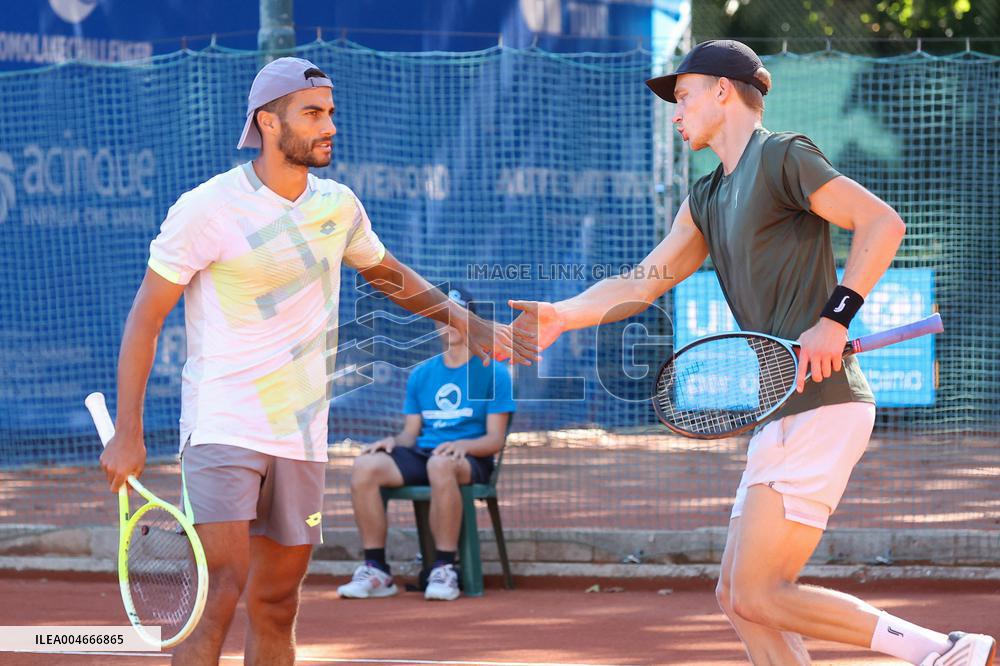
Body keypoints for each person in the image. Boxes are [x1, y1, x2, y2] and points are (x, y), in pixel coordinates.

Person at [508, 40, 995, 666]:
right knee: (738, 597)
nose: (676, 113)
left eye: (683, 97)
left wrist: (834, 318)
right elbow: (642, 281)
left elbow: (882, 222)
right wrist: (564, 314)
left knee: (761, 591)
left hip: (823, 402)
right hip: (783, 411)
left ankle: (942, 651)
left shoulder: (783, 157)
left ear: (722, 91)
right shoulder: (707, 197)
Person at [98, 57, 514, 665]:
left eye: (331, 113)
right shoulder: (207, 207)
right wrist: (129, 433)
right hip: (222, 425)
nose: (329, 127)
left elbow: (388, 275)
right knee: (218, 594)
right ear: (267, 122)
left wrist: (468, 325)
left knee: (277, 604)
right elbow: (146, 316)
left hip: (300, 433)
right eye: (312, 113)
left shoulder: (338, 207)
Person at [337, 286, 515, 602]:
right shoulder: (422, 374)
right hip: (425, 453)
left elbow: (494, 440)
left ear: (472, 321)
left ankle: (445, 568)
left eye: (457, 316)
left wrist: (465, 446)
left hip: (468, 458)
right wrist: (392, 442)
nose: (450, 323)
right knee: (365, 465)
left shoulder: (494, 372)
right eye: (442, 316)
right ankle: (376, 570)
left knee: (440, 463)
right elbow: (410, 434)